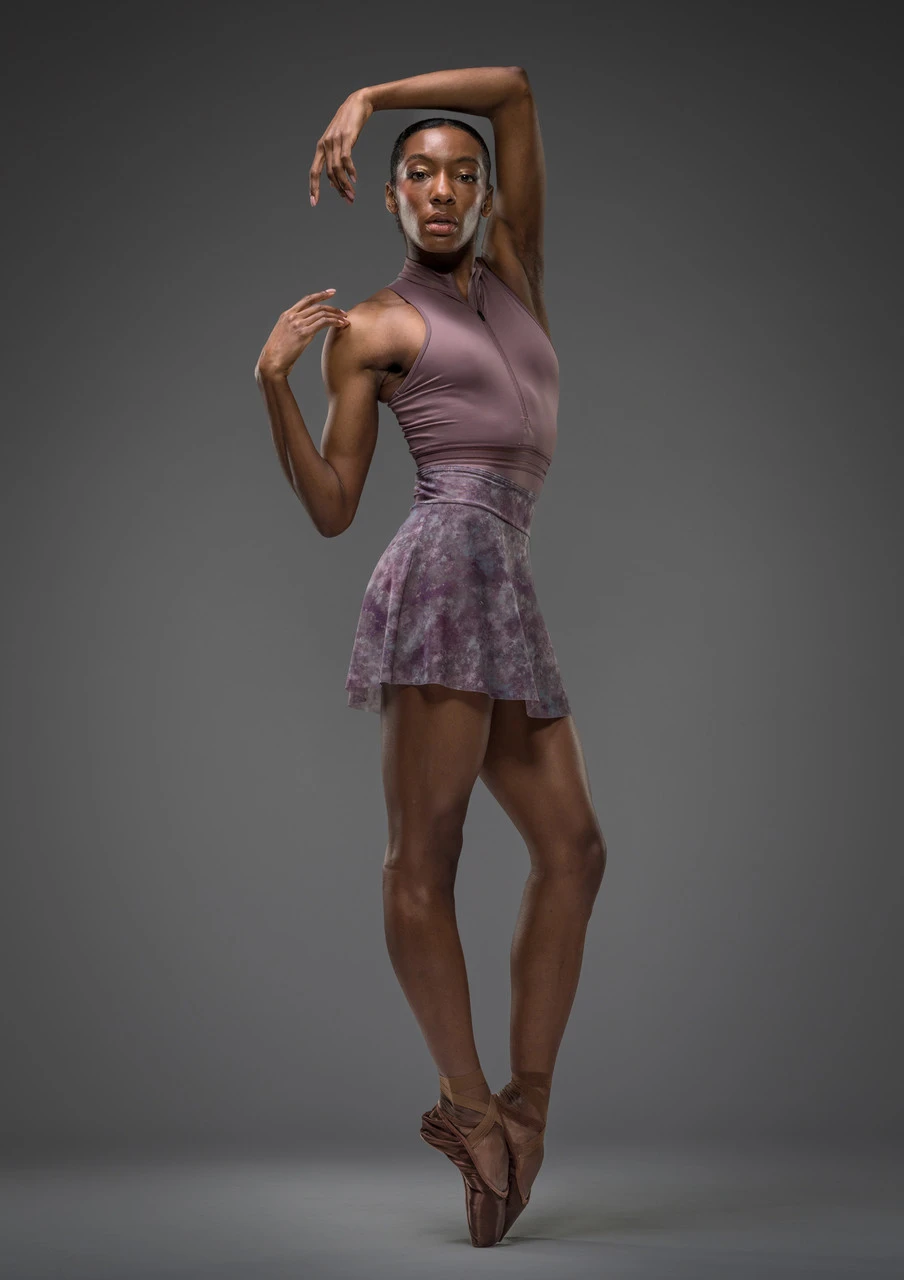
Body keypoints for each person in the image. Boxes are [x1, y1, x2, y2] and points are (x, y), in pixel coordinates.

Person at [254, 66, 607, 1248]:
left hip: (505, 579)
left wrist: (367, 94)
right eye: (419, 174)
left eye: (461, 173)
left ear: (487, 194)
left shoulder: (518, 274)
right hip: (445, 572)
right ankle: (466, 1104)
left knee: (574, 849)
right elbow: (333, 505)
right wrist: (272, 387)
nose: (442, 188)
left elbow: (512, 89)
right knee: (424, 855)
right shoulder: (374, 326)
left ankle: (523, 1108)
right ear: (394, 197)